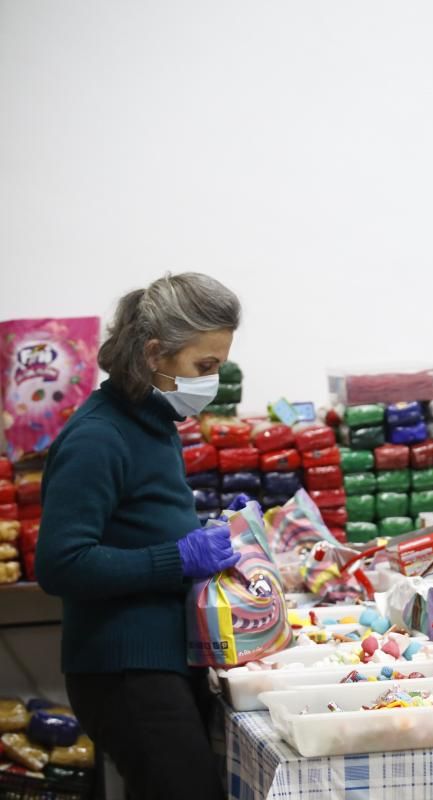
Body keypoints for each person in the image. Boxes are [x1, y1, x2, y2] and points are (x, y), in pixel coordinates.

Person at [37, 273, 242, 800]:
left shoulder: (151, 424)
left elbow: (138, 522)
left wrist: (213, 530)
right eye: (205, 366)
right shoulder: (98, 437)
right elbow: (61, 564)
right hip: (124, 669)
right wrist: (177, 557)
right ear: (155, 354)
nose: (212, 381)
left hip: (163, 660)